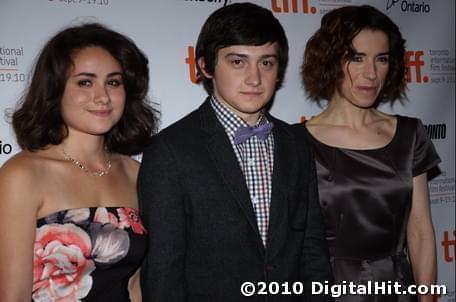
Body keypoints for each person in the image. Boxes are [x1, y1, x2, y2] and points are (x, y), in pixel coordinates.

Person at [139, 2, 332, 302]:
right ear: (205, 66)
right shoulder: (170, 151)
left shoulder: (296, 143)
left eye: (266, 63)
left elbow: (312, 251)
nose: (255, 78)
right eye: (238, 62)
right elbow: (164, 273)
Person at [0, 23, 157, 301]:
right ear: (55, 91)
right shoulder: (22, 174)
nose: (102, 97)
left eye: (113, 82)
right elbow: (12, 295)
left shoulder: (135, 173)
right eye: (85, 82)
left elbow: (135, 287)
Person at [298, 5, 440, 302]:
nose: (371, 73)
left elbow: (420, 230)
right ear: (330, 60)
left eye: (382, 59)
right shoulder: (296, 142)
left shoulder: (409, 134)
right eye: (356, 58)